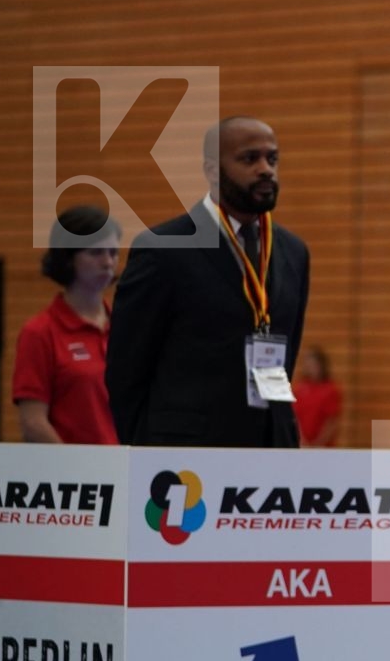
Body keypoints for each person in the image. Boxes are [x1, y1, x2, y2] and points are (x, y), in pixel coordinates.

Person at [107, 116, 310, 447]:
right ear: (213, 170)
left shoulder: (293, 252)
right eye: (249, 158)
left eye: (272, 159)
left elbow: (288, 350)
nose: (265, 169)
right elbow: (126, 370)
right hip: (186, 453)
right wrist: (144, 451)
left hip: (272, 444)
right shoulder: (163, 249)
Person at [13, 205, 119, 445]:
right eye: (96, 253)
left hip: (124, 471)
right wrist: (74, 470)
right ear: (68, 258)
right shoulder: (40, 332)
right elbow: (32, 423)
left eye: (113, 252)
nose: (108, 262)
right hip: (74, 476)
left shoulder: (127, 329)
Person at [291, 346, 342, 448]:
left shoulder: (330, 389)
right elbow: (295, 418)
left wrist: (318, 444)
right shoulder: (299, 388)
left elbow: (331, 421)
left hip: (323, 447)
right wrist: (302, 441)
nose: (309, 368)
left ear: (321, 365)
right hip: (302, 445)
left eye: (313, 364)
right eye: (307, 364)